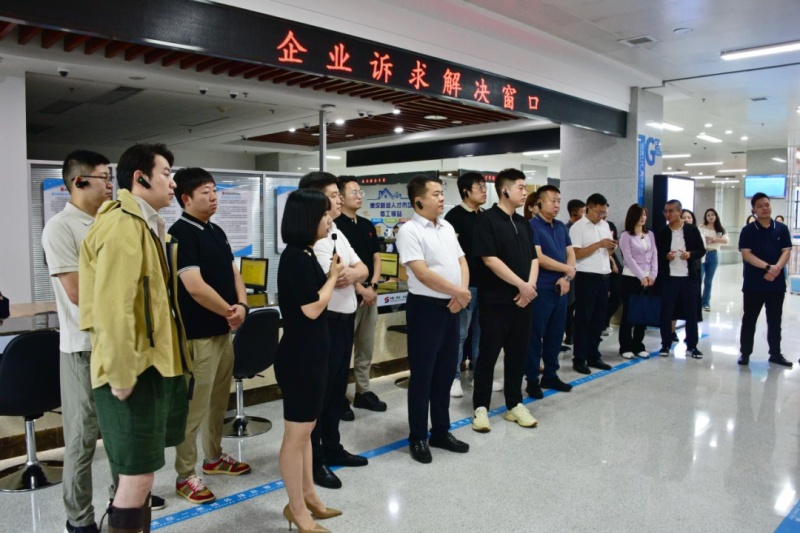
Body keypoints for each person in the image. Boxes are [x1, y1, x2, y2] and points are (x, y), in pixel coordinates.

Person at [79, 143, 191, 533]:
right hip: (132, 370)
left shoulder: (146, 223)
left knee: (143, 475)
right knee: (136, 477)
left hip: (153, 365)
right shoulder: (122, 223)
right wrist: (122, 373)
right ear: (140, 178)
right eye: (166, 174)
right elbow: (112, 306)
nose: (173, 183)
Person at [168, 168, 251, 505]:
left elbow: (234, 272)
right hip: (198, 335)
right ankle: (185, 474)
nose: (214, 196)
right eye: (205, 191)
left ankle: (214, 457)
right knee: (194, 408)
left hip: (222, 332)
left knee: (218, 401)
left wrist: (242, 305)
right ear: (185, 198)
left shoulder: (216, 230)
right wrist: (230, 312)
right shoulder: (180, 234)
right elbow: (194, 286)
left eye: (215, 190)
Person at [42, 150, 113, 533]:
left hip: (118, 347)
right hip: (83, 349)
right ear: (78, 180)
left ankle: (122, 505)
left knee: (119, 434)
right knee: (82, 438)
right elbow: (78, 293)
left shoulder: (110, 222)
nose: (110, 184)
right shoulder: (61, 227)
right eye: (103, 177)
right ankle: (80, 519)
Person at [275, 189, 343, 533]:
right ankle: (297, 510)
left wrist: (330, 275)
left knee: (306, 431)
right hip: (299, 358)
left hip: (313, 354)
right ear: (307, 218)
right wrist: (332, 277)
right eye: (324, 214)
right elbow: (312, 308)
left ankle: (309, 497)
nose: (329, 220)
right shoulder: (295, 257)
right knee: (296, 435)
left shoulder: (305, 253)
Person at [299, 172, 369, 490]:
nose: (339, 199)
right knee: (321, 395)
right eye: (333, 194)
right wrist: (348, 273)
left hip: (345, 321)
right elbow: (334, 276)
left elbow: (360, 269)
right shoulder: (312, 240)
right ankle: (315, 460)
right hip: (325, 323)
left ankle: (333, 447)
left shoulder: (337, 230)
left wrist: (352, 273)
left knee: (337, 391)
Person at [396, 175, 471, 463]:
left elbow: (461, 261)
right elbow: (422, 272)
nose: (442, 198)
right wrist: (459, 293)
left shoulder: (447, 226)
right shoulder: (409, 231)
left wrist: (461, 293)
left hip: (452, 306)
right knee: (423, 375)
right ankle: (417, 436)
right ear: (419, 201)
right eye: (436, 194)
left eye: (442, 193)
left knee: (445, 372)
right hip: (426, 308)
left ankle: (441, 431)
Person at [471, 168, 539, 432]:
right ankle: (480, 408)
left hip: (524, 301)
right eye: (521, 187)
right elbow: (490, 259)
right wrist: (521, 285)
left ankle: (514, 404)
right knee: (488, 356)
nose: (525, 192)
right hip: (496, 302)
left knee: (518, 355)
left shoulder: (523, 222)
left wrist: (529, 287)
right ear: (504, 190)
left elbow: (533, 258)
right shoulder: (487, 220)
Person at [335, 176, 387, 419]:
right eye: (354, 192)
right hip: (346, 296)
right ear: (341, 196)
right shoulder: (335, 227)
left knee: (365, 347)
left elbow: (376, 257)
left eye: (360, 192)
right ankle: (337, 397)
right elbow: (339, 266)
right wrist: (361, 289)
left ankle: (363, 392)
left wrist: (373, 286)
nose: (359, 196)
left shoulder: (367, 224)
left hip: (369, 296)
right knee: (342, 350)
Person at [444, 172, 499, 398]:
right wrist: (458, 287)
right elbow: (450, 254)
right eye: (480, 187)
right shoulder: (454, 217)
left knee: (483, 333)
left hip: (487, 285)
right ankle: (453, 378)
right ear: (466, 191)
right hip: (466, 286)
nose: (485, 191)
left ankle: (481, 376)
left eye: (485, 187)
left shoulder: (486, 215)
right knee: (460, 334)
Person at [525, 185, 574, 399]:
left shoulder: (561, 226)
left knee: (556, 335)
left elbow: (570, 253)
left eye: (559, 201)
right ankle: (532, 380)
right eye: (553, 201)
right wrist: (567, 270)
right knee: (535, 337)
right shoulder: (531, 226)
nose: (557, 205)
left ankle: (551, 375)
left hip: (561, 288)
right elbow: (539, 258)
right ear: (540, 203)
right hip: (541, 289)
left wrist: (566, 277)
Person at [737, 193, 793, 367]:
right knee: (749, 319)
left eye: (767, 204)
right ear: (753, 210)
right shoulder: (748, 230)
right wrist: (768, 268)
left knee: (775, 320)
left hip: (776, 284)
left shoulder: (781, 228)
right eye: (760, 206)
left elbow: (786, 251)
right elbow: (746, 254)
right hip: (754, 283)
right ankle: (745, 353)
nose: (764, 208)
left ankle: (775, 353)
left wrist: (776, 270)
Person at [569, 193, 615, 375]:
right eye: (598, 212)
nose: (601, 216)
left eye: (604, 212)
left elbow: (608, 252)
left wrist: (611, 247)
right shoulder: (577, 227)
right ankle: (579, 359)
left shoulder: (605, 225)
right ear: (588, 208)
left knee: (599, 320)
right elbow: (575, 254)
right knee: (583, 320)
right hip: (586, 277)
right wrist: (598, 244)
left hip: (604, 276)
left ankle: (593, 355)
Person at [655, 200, 706, 359]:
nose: (667, 214)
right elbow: (656, 254)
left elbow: (701, 250)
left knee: (691, 313)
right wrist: (666, 256)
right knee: (667, 313)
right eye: (665, 211)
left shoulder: (691, 230)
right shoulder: (662, 232)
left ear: (679, 212)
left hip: (688, 278)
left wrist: (690, 254)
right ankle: (665, 344)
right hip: (669, 278)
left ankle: (692, 346)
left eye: (671, 211)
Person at [617, 204, 658, 359]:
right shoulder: (626, 236)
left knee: (643, 314)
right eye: (640, 215)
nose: (643, 218)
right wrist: (642, 277)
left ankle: (638, 345)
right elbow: (628, 258)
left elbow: (654, 255)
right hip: (631, 278)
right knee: (629, 314)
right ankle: (625, 346)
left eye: (645, 215)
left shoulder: (650, 234)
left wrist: (653, 275)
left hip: (648, 279)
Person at [563, 199, 586, 347]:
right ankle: (569, 335)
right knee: (569, 306)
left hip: (581, 273)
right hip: (569, 273)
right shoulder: (566, 229)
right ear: (574, 213)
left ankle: (574, 334)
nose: (585, 215)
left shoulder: (584, 228)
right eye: (583, 212)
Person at [699, 208, 729, 311]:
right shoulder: (701, 227)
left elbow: (726, 240)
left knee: (708, 281)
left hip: (713, 255)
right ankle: (696, 302)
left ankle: (706, 302)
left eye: (712, 214)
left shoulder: (720, 229)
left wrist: (713, 239)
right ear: (705, 217)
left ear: (716, 216)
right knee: (699, 280)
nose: (710, 217)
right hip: (702, 254)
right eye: (708, 215)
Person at [603, 212, 623, 336]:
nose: (605, 214)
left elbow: (613, 246)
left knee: (618, 294)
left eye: (606, 212)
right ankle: (601, 324)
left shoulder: (610, 225)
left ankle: (605, 320)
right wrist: (612, 262)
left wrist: (614, 261)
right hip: (603, 262)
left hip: (612, 260)